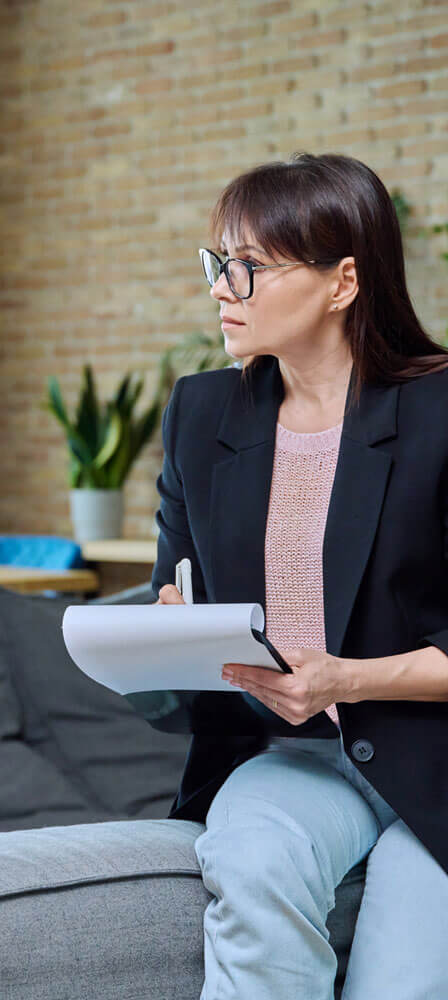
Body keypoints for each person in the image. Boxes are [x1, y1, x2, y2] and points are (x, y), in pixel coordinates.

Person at [152, 152, 448, 999]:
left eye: (246, 268)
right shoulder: (201, 413)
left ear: (342, 282)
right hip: (291, 758)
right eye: (218, 264)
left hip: (435, 756)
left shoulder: (438, 412)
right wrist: (170, 627)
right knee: (250, 863)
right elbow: (174, 585)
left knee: (406, 976)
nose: (220, 288)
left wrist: (345, 677)